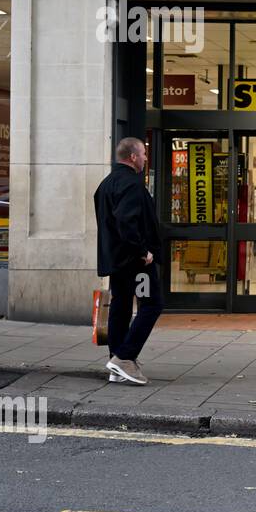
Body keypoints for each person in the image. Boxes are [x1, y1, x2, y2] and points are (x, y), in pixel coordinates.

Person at [93, 137, 164, 386]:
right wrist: (143, 252)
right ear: (133, 156)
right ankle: (124, 357)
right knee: (152, 305)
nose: (145, 158)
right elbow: (126, 222)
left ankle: (116, 363)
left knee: (121, 307)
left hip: (116, 261)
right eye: (143, 154)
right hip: (136, 263)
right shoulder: (132, 185)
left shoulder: (106, 184)